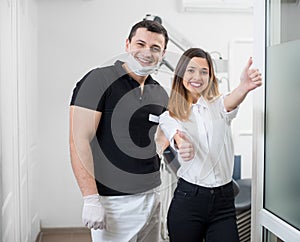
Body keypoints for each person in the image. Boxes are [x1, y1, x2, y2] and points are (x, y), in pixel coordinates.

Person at [69, 20, 171, 242]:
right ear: (127, 44)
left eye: (155, 48)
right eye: (140, 44)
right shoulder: (98, 80)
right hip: (113, 202)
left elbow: (163, 130)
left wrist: (158, 151)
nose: (147, 52)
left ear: (163, 54)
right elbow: (79, 140)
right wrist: (91, 198)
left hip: (152, 196)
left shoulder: (159, 93)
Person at [158, 48, 262, 242]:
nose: (197, 76)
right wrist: (182, 144)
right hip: (189, 201)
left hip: (223, 202)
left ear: (210, 76)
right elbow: (176, 135)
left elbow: (231, 101)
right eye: (191, 70)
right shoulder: (169, 116)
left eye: (204, 71)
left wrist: (244, 87)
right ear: (181, 74)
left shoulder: (218, 106)